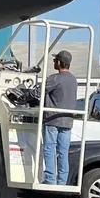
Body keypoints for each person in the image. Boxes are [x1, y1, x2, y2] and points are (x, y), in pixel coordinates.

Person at [35, 50, 78, 185]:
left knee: (49, 149)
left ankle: (50, 179)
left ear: (59, 62)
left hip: (52, 120)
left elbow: (38, 92)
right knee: (63, 152)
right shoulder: (73, 80)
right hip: (68, 121)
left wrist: (24, 95)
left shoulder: (55, 78)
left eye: (55, 61)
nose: (54, 62)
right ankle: (62, 181)